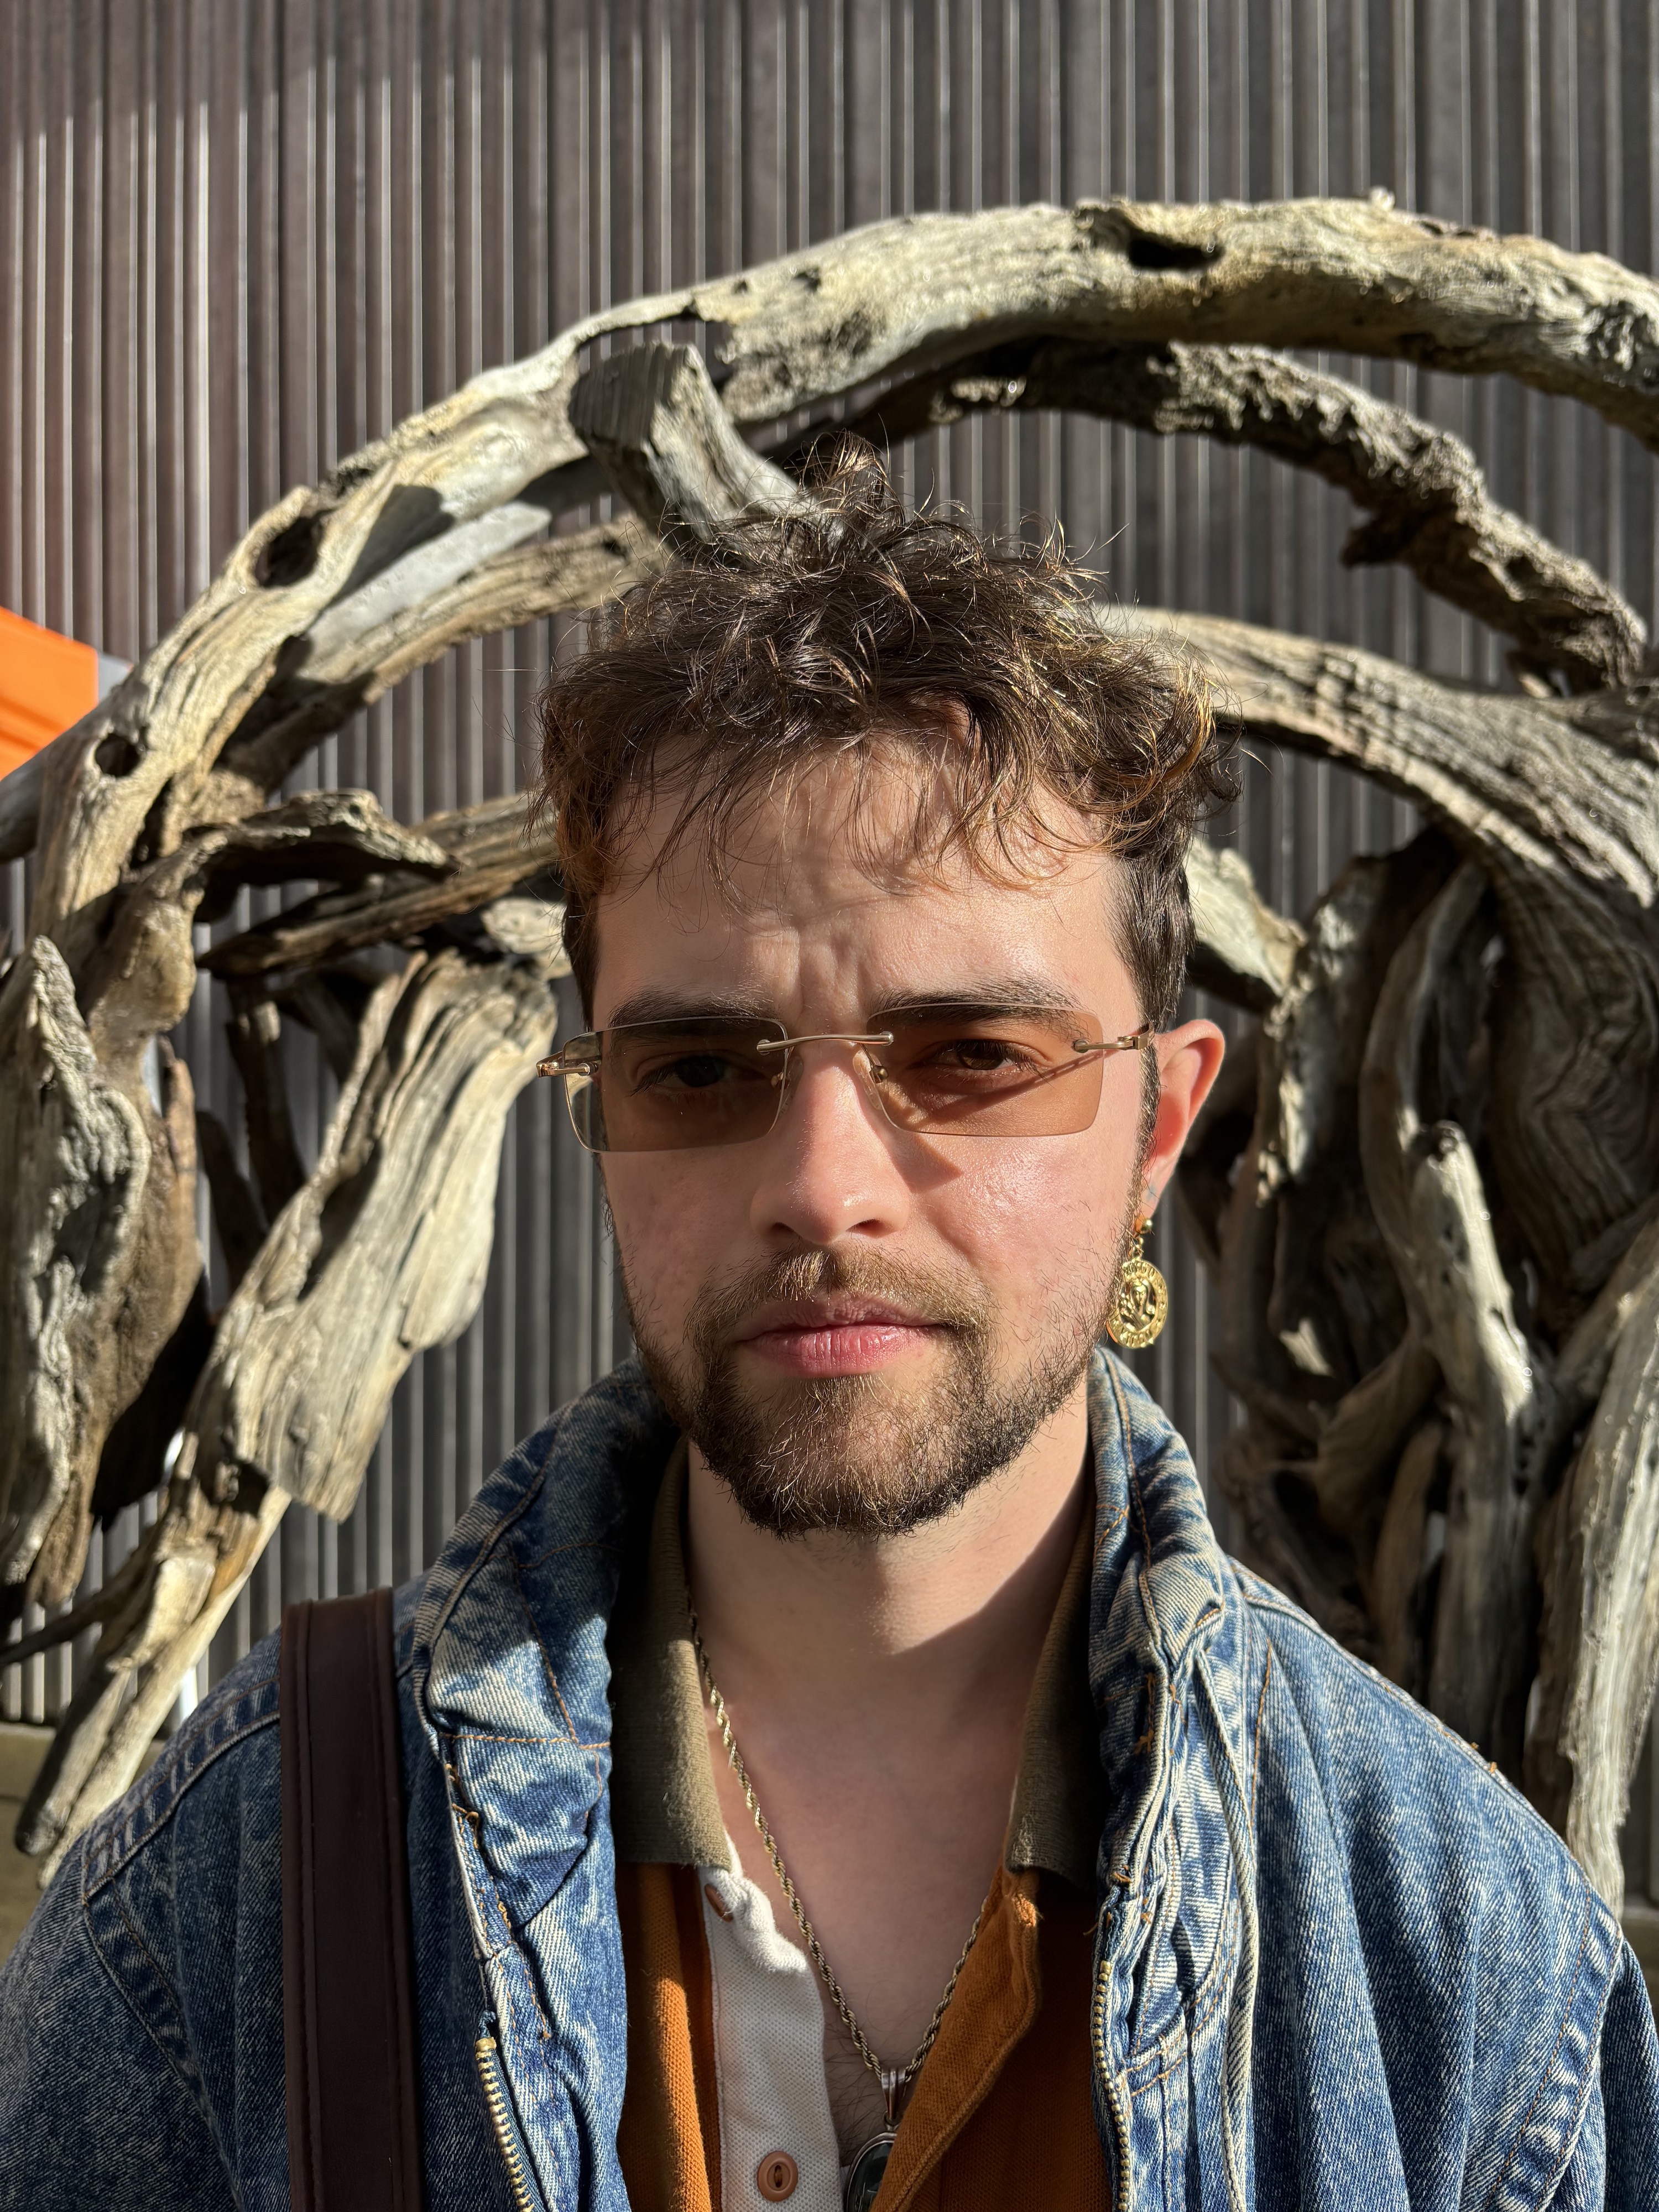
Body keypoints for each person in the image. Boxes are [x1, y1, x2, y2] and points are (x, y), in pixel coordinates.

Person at [3, 452, 1656, 2212]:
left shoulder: (1459, 1967)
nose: (821, 1183)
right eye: (702, 1069)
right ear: (601, 1110)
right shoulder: (249, 1887)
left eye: (968, 1057)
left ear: (1161, 1131)